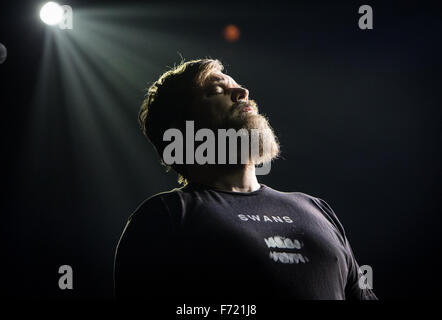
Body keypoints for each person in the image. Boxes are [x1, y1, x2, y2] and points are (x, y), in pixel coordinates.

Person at [114, 59, 377, 300]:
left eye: (238, 87)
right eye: (216, 90)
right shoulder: (166, 217)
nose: (242, 92)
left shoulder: (317, 209)